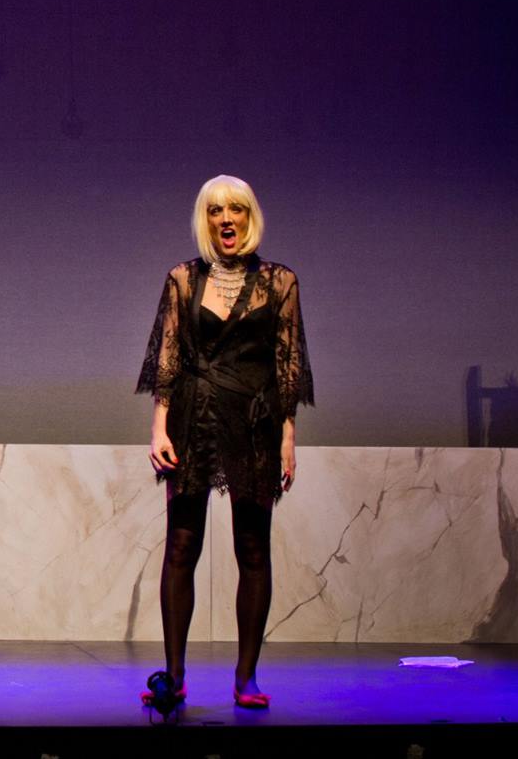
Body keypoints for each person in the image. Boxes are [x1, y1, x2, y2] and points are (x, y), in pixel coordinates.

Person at [136, 175, 313, 709]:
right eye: (216, 211)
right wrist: (159, 425)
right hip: (193, 418)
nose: (226, 219)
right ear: (206, 220)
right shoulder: (182, 279)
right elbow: (168, 355)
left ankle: (246, 678)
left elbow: (288, 364)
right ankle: (174, 675)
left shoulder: (280, 281)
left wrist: (288, 436)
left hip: (254, 421)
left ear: (249, 216)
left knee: (252, 547)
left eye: (236, 209)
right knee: (181, 544)